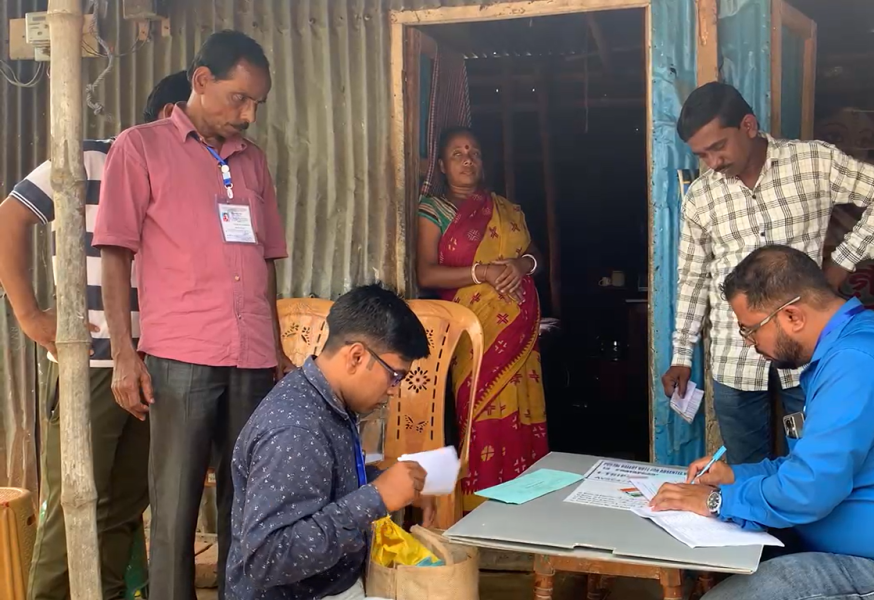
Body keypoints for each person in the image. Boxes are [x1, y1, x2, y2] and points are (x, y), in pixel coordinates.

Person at [651, 245, 874, 600]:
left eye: (749, 329)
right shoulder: (848, 346)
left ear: (792, 317)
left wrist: (716, 502)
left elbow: (807, 491)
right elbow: (811, 466)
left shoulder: (856, 362)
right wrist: (736, 477)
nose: (750, 344)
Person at [92, 31, 292, 600]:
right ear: (201, 81)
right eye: (239, 99)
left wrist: (274, 348)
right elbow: (115, 254)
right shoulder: (141, 147)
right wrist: (125, 357)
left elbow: (265, 258)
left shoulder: (252, 162)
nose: (249, 115)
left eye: (257, 103)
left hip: (252, 358)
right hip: (181, 357)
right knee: (176, 507)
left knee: (246, 503)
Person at [0, 71, 190, 600]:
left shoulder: (189, 174)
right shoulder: (86, 161)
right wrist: (29, 314)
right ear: (171, 113)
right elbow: (8, 220)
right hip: (92, 366)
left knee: (124, 508)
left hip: (160, 365)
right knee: (72, 508)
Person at [661, 82, 874, 465]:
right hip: (734, 352)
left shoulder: (814, 162)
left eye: (718, 147)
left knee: (819, 462)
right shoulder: (701, 196)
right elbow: (693, 277)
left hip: (808, 349)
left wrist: (841, 262)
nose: (712, 163)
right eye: (702, 154)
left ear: (748, 125)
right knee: (745, 469)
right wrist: (681, 355)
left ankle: (811, 527)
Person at [227, 284, 432, 599]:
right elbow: (267, 560)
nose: (394, 390)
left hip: (331, 584)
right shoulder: (295, 430)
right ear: (356, 356)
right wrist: (376, 498)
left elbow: (325, 488)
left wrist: (395, 485)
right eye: (394, 376)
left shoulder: (326, 399)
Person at [415, 126, 549, 511]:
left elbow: (535, 255)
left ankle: (526, 502)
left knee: (522, 410)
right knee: (481, 413)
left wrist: (520, 264)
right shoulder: (433, 210)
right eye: (457, 154)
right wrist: (483, 273)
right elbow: (426, 273)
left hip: (519, 336)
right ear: (442, 165)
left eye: (473, 152)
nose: (467, 159)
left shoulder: (507, 211)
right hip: (471, 333)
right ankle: (482, 505)